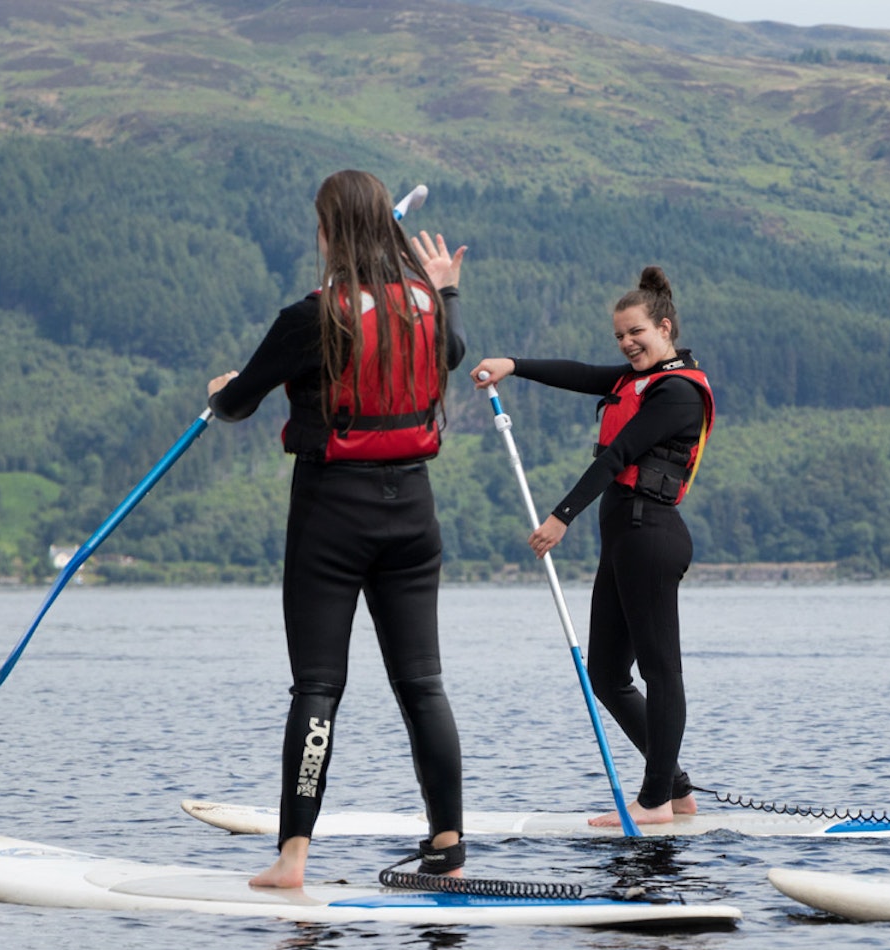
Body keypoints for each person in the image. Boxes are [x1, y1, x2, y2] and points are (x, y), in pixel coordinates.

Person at [208, 169, 468, 887]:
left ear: (330, 232)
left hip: (333, 514)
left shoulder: (313, 317)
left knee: (318, 686)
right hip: (414, 514)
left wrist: (220, 391)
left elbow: (238, 404)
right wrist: (442, 286)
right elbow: (454, 349)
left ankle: (293, 857)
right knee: (423, 684)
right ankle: (447, 841)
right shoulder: (426, 307)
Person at [470, 266, 714, 828]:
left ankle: (653, 802)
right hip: (624, 539)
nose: (628, 344)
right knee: (606, 674)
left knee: (661, 671)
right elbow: (580, 374)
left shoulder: (677, 392)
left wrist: (560, 517)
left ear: (665, 328)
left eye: (637, 334)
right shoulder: (637, 380)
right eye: (620, 337)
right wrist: (513, 365)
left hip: (652, 537)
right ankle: (675, 786)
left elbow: (616, 456)